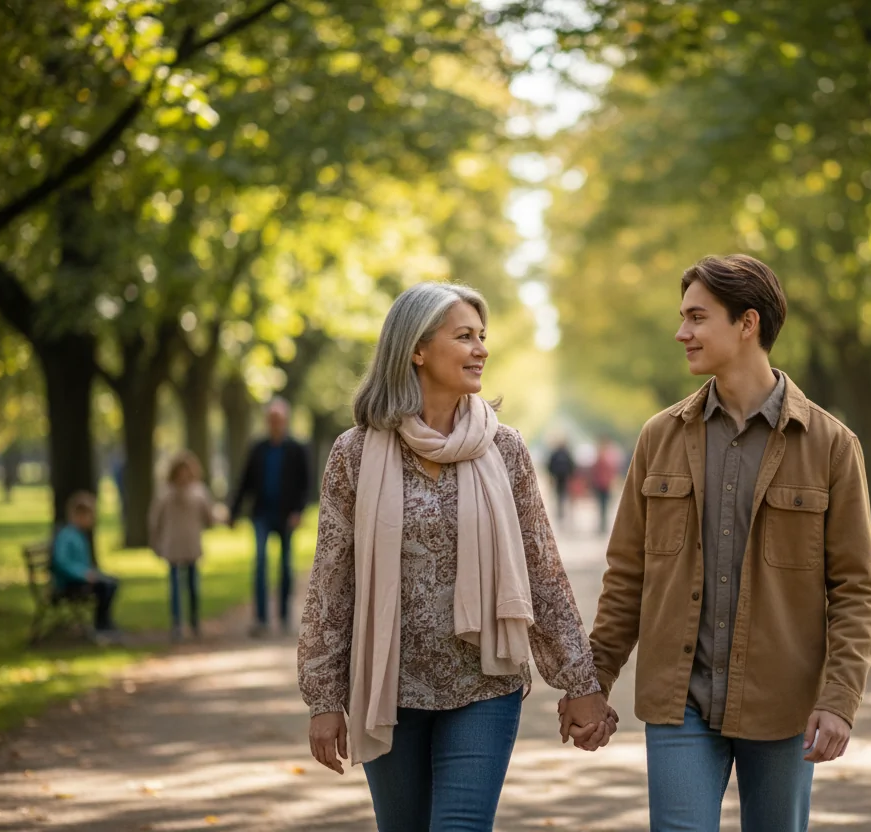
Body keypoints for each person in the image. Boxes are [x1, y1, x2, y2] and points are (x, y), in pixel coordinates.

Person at [578, 254, 871, 831]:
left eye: (697, 318)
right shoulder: (659, 437)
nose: (681, 332)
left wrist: (838, 698)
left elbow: (856, 588)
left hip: (784, 704)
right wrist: (594, 681)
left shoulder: (831, 445)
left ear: (747, 324)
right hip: (678, 701)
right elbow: (627, 576)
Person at [297, 282, 617, 831]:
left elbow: (541, 572)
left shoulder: (505, 449)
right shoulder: (354, 453)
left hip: (484, 683)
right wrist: (323, 697)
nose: (481, 349)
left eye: (482, 336)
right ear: (416, 349)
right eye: (464, 336)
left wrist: (580, 683)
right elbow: (332, 583)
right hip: (388, 688)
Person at [228, 397, 310, 636]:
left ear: (285, 421)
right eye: (271, 420)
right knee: (261, 562)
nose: (275, 424)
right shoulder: (258, 448)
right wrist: (234, 512)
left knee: (285, 565)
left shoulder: (296, 449)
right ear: (267, 422)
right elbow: (245, 482)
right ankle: (261, 618)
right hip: (261, 514)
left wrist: (298, 511)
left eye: (279, 420)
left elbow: (306, 485)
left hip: (286, 516)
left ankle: (284, 615)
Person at [150, 450, 225, 642]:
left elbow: (208, 517)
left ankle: (193, 621)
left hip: (191, 545)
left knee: (192, 586)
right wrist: (155, 542)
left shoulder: (199, 492)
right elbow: (155, 519)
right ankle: (177, 623)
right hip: (172, 545)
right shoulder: (165, 493)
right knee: (175, 586)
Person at [51, 491, 120, 641]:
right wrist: (83, 574)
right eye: (90, 516)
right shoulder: (67, 536)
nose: (92, 520)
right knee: (105, 586)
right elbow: (62, 562)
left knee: (111, 582)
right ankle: (101, 624)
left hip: (80, 577)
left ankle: (103, 622)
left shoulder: (78, 535)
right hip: (69, 582)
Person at [590, 438, 622, 534]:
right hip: (601, 484)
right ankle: (602, 525)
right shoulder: (604, 457)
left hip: (604, 484)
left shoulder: (605, 457)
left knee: (604, 505)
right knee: (602, 505)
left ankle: (603, 525)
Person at [545, 440, 575, 525]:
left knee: (559, 494)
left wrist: (551, 476)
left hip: (558, 477)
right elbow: (572, 465)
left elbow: (549, 466)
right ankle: (562, 511)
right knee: (563, 494)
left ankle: (560, 511)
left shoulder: (556, 454)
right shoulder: (566, 453)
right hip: (564, 477)